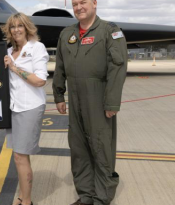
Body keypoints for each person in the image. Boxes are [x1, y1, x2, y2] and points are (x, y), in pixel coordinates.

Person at [52, 0, 128, 204]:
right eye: (75, 4)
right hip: (74, 97)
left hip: (98, 97)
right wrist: (59, 94)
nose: (78, 7)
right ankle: (85, 196)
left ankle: (101, 198)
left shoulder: (110, 31)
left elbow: (118, 67)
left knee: (101, 148)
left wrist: (112, 102)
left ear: (94, 3)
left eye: (83, 2)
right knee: (79, 149)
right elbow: (59, 66)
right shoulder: (66, 34)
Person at [1, 13, 49, 205]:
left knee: (21, 155)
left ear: (27, 28)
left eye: (20, 26)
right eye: (13, 27)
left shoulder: (37, 48)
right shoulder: (8, 50)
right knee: (17, 155)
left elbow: (40, 80)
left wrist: (14, 68)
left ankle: (26, 201)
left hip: (30, 106)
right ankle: (22, 195)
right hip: (14, 107)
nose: (16, 30)